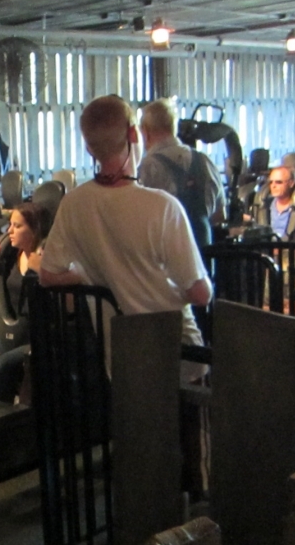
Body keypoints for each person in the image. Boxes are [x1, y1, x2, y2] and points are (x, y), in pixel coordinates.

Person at [40, 94, 213, 361]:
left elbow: (48, 276)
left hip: (119, 359)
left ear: (88, 148)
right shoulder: (163, 207)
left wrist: (88, 274)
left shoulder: (72, 204)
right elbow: (200, 294)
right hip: (176, 353)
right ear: (134, 133)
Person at [0, 203, 50, 411]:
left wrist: (42, 272)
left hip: (37, 338)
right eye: (10, 225)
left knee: (3, 365)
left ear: (35, 230)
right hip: (10, 334)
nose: (10, 231)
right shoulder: (12, 256)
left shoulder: (45, 260)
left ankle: (0, 422)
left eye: (17, 226)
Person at [137, 98, 225, 251]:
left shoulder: (146, 168)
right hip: (204, 261)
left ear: (144, 131)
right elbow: (219, 215)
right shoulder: (205, 161)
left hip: (164, 261)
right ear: (173, 128)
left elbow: (138, 223)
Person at [256, 164, 295, 239]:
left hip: (291, 248)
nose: (273, 186)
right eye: (271, 182)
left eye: (278, 182)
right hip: (267, 247)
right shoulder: (265, 206)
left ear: (291, 183)